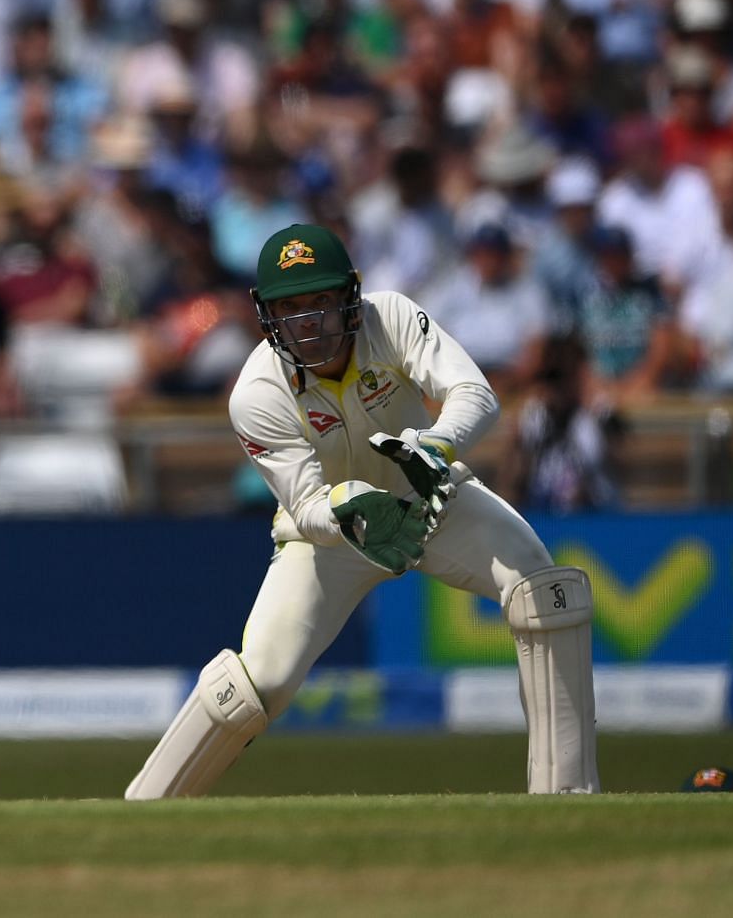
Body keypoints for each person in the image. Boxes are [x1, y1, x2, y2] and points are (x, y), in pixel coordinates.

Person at [125, 224, 598, 799]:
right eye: (290, 308)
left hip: (431, 499)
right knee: (259, 682)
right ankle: (146, 805)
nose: (307, 323)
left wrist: (436, 447)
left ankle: (567, 796)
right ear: (266, 314)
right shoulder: (256, 392)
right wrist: (354, 506)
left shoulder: (390, 317)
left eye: (320, 303)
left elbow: (476, 395)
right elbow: (305, 504)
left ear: (350, 295)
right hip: (329, 538)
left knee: (543, 587)